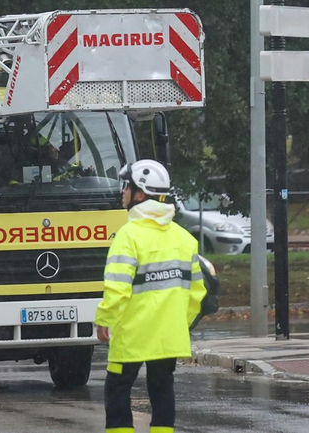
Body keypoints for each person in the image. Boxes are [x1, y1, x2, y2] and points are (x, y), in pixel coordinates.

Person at [96, 159, 207, 433]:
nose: (122, 192)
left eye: (127, 186)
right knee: (162, 390)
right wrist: (178, 322)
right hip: (168, 335)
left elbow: (117, 288)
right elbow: (197, 293)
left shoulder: (128, 236)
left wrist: (104, 320)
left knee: (118, 390)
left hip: (131, 334)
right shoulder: (184, 239)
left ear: (140, 194)